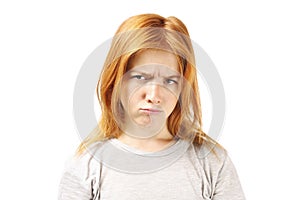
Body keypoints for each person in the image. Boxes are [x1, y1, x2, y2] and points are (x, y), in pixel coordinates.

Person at [58, 13, 245, 200]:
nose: (154, 96)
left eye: (170, 81)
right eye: (140, 77)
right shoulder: (86, 166)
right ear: (116, 81)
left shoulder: (212, 163)